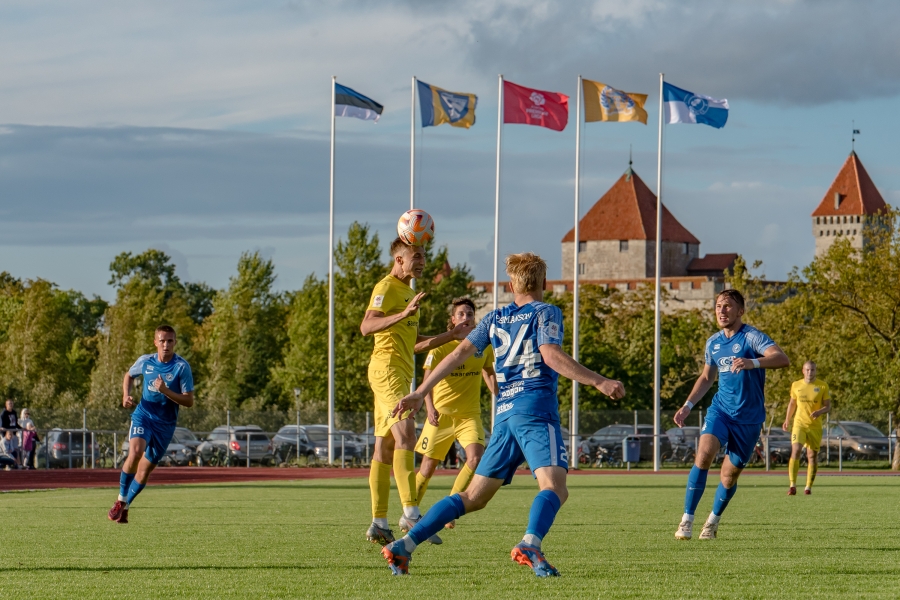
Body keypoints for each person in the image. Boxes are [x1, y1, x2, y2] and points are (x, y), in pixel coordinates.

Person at [380, 252, 625, 577]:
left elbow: (457, 354)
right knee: (555, 487)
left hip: (505, 417)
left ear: (511, 285)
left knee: (472, 497)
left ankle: (405, 545)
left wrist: (420, 391)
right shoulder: (546, 311)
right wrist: (600, 381)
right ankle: (531, 544)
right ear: (543, 283)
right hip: (536, 411)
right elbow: (550, 354)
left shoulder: (494, 318)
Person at [360, 238, 473, 546]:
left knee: (383, 448)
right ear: (399, 260)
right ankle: (411, 512)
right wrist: (402, 313)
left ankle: (379, 523)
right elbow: (367, 326)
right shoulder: (386, 287)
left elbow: (413, 344)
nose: (423, 261)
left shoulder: (408, 291)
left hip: (397, 370)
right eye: (417, 256)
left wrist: (450, 334)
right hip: (386, 371)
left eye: (424, 255)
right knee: (407, 436)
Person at [673, 289, 790, 541]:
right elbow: (706, 377)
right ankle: (686, 520)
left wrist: (753, 362)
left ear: (740, 311)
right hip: (721, 411)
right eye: (718, 306)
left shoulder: (752, 337)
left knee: (729, 475)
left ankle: (712, 522)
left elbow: (782, 358)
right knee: (703, 454)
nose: (722, 311)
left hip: (749, 419)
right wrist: (687, 405)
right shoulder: (713, 342)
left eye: (727, 306)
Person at [414, 297, 498, 529]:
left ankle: (450, 509)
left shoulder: (483, 346)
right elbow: (427, 380)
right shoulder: (441, 346)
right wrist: (430, 408)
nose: (466, 317)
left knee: (475, 458)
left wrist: (499, 393)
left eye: (469, 313)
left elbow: (489, 373)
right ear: (453, 320)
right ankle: (411, 512)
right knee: (427, 468)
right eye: (461, 314)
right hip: (441, 415)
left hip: (468, 415)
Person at [107, 325, 194, 524]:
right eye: (162, 340)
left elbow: (189, 401)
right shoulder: (145, 361)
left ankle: (126, 506)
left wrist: (165, 391)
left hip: (165, 425)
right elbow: (129, 375)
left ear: (175, 342)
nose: (166, 345)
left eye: (170, 341)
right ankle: (120, 500)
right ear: (155, 342)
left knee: (144, 471)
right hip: (144, 415)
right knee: (136, 452)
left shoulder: (181, 367)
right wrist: (126, 395)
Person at [782, 361, 830, 495]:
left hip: (814, 426)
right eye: (808, 370)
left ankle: (808, 487)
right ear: (803, 371)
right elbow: (792, 403)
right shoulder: (796, 385)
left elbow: (828, 406)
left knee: (812, 456)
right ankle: (792, 485)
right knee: (796, 450)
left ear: (816, 371)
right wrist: (787, 420)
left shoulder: (822, 386)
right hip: (799, 424)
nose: (810, 372)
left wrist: (819, 412)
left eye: (813, 370)